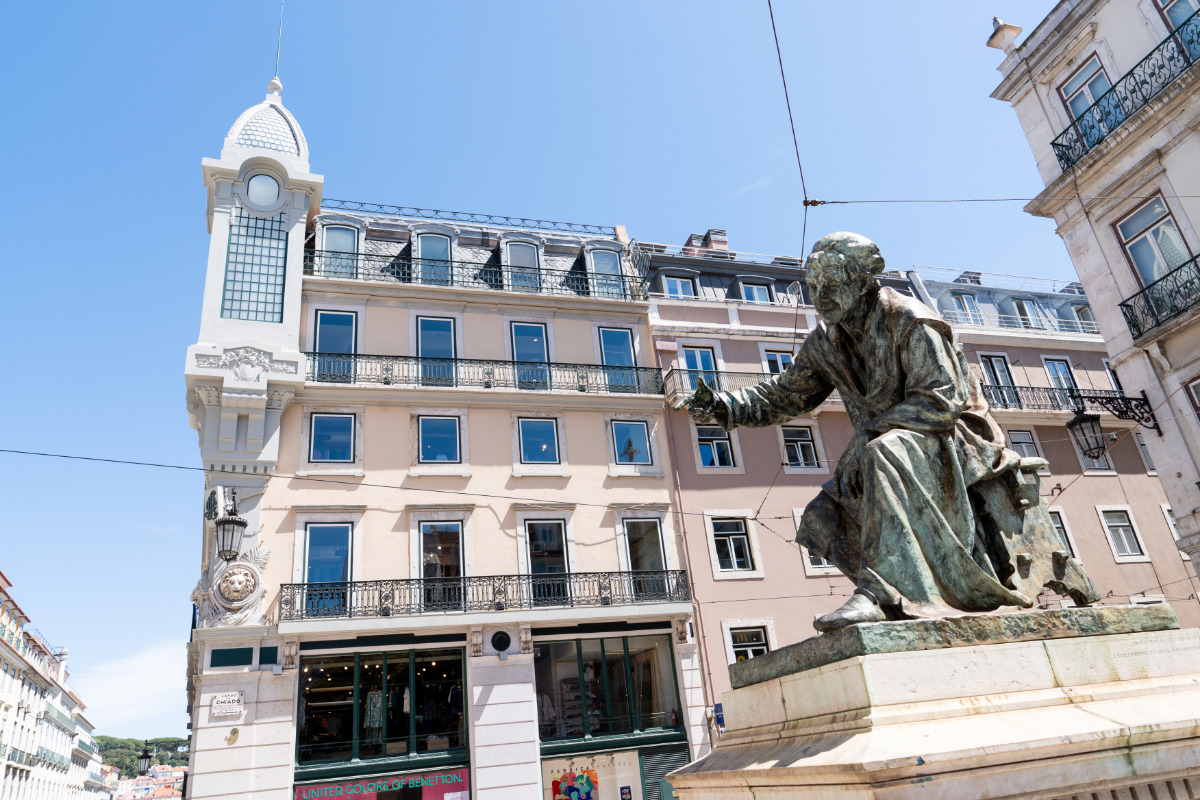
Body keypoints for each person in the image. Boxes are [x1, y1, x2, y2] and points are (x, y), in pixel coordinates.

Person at [682, 232, 1087, 632]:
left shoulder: (910, 320)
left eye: (831, 284)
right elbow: (787, 394)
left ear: (862, 281)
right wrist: (724, 404)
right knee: (823, 514)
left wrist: (868, 436)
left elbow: (941, 400)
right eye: (813, 286)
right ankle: (909, 591)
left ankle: (881, 594)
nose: (820, 296)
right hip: (891, 443)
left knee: (882, 453)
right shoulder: (826, 341)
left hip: (952, 439)